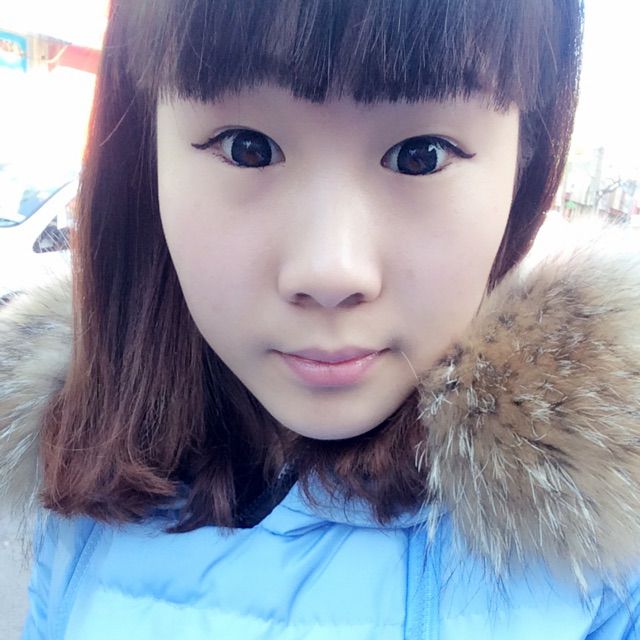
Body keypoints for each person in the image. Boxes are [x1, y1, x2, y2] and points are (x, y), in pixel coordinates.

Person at [0, 0, 639, 637]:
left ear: (525, 167)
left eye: (420, 155)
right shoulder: (76, 457)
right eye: (248, 149)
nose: (330, 272)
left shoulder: (605, 549)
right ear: (145, 156)